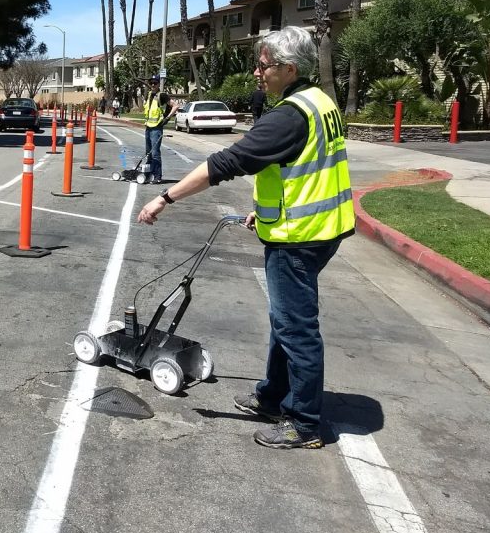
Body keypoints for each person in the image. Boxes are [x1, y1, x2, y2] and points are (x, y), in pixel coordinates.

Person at [136, 26, 354, 449]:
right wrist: (266, 209)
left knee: (296, 328)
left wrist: (165, 197)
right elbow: (305, 167)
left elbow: (225, 162)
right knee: (285, 320)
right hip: (323, 226)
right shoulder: (319, 101)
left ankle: (304, 423)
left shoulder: (289, 116)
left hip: (300, 237)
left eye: (264, 65)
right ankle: (273, 396)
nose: (257, 72)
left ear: (289, 68)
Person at [141, 77, 179, 184]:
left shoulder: (161, 95)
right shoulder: (149, 95)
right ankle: (148, 175)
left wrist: (167, 118)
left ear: (158, 84)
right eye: (151, 83)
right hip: (148, 127)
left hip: (156, 128)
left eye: (155, 83)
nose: (153, 85)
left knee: (155, 153)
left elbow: (175, 106)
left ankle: (157, 176)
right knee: (148, 153)